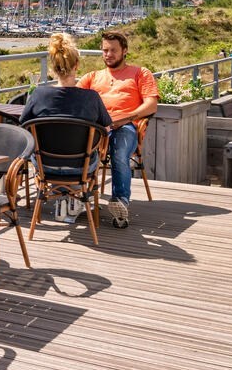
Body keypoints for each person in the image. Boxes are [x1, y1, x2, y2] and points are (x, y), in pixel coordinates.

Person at [77, 30, 159, 227]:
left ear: (125, 51)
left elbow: (151, 106)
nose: (108, 54)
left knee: (119, 151)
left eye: (113, 50)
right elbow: (72, 97)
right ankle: (77, 195)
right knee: (75, 143)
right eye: (105, 50)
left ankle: (120, 202)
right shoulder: (93, 77)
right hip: (97, 127)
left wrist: (124, 119)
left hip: (127, 126)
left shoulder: (140, 73)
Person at [21, 33, 111, 130]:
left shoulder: (38, 94)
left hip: (44, 141)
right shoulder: (92, 97)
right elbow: (106, 128)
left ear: (53, 67)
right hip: (79, 140)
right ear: (76, 65)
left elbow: (23, 124)